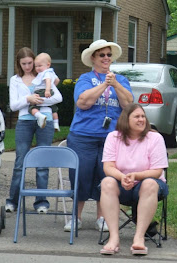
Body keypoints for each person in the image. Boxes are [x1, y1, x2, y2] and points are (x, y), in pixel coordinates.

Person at [65, 39, 133, 232]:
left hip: (112, 137)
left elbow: (128, 104)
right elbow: (83, 102)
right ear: (93, 58)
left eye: (108, 55)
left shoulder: (121, 79)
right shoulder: (85, 79)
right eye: (101, 55)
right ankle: (75, 218)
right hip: (83, 135)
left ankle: (102, 218)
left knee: (106, 177)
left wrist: (115, 85)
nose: (106, 58)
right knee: (80, 175)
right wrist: (104, 84)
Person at [99, 103, 168, 255]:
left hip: (150, 185)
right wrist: (122, 177)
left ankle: (139, 238)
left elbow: (157, 171)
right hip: (121, 184)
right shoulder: (113, 137)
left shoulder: (155, 138)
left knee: (149, 183)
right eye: (136, 116)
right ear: (126, 120)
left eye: (143, 116)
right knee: (107, 182)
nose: (141, 119)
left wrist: (136, 176)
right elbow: (108, 167)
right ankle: (114, 238)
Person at [6, 47, 62, 214]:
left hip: (45, 120)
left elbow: (57, 98)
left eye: (31, 63)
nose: (28, 67)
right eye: (24, 64)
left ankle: (41, 202)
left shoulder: (44, 77)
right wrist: (27, 99)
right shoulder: (15, 80)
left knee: (42, 161)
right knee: (20, 161)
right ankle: (13, 201)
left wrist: (38, 101)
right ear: (19, 64)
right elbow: (14, 105)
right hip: (24, 121)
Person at [28, 52, 61, 132]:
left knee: (32, 106)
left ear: (48, 65)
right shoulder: (51, 72)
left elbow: (48, 81)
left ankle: (39, 116)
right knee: (53, 109)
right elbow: (57, 80)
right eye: (36, 66)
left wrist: (47, 90)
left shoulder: (45, 73)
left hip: (42, 91)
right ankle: (56, 124)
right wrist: (53, 88)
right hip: (50, 91)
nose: (37, 68)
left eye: (40, 66)